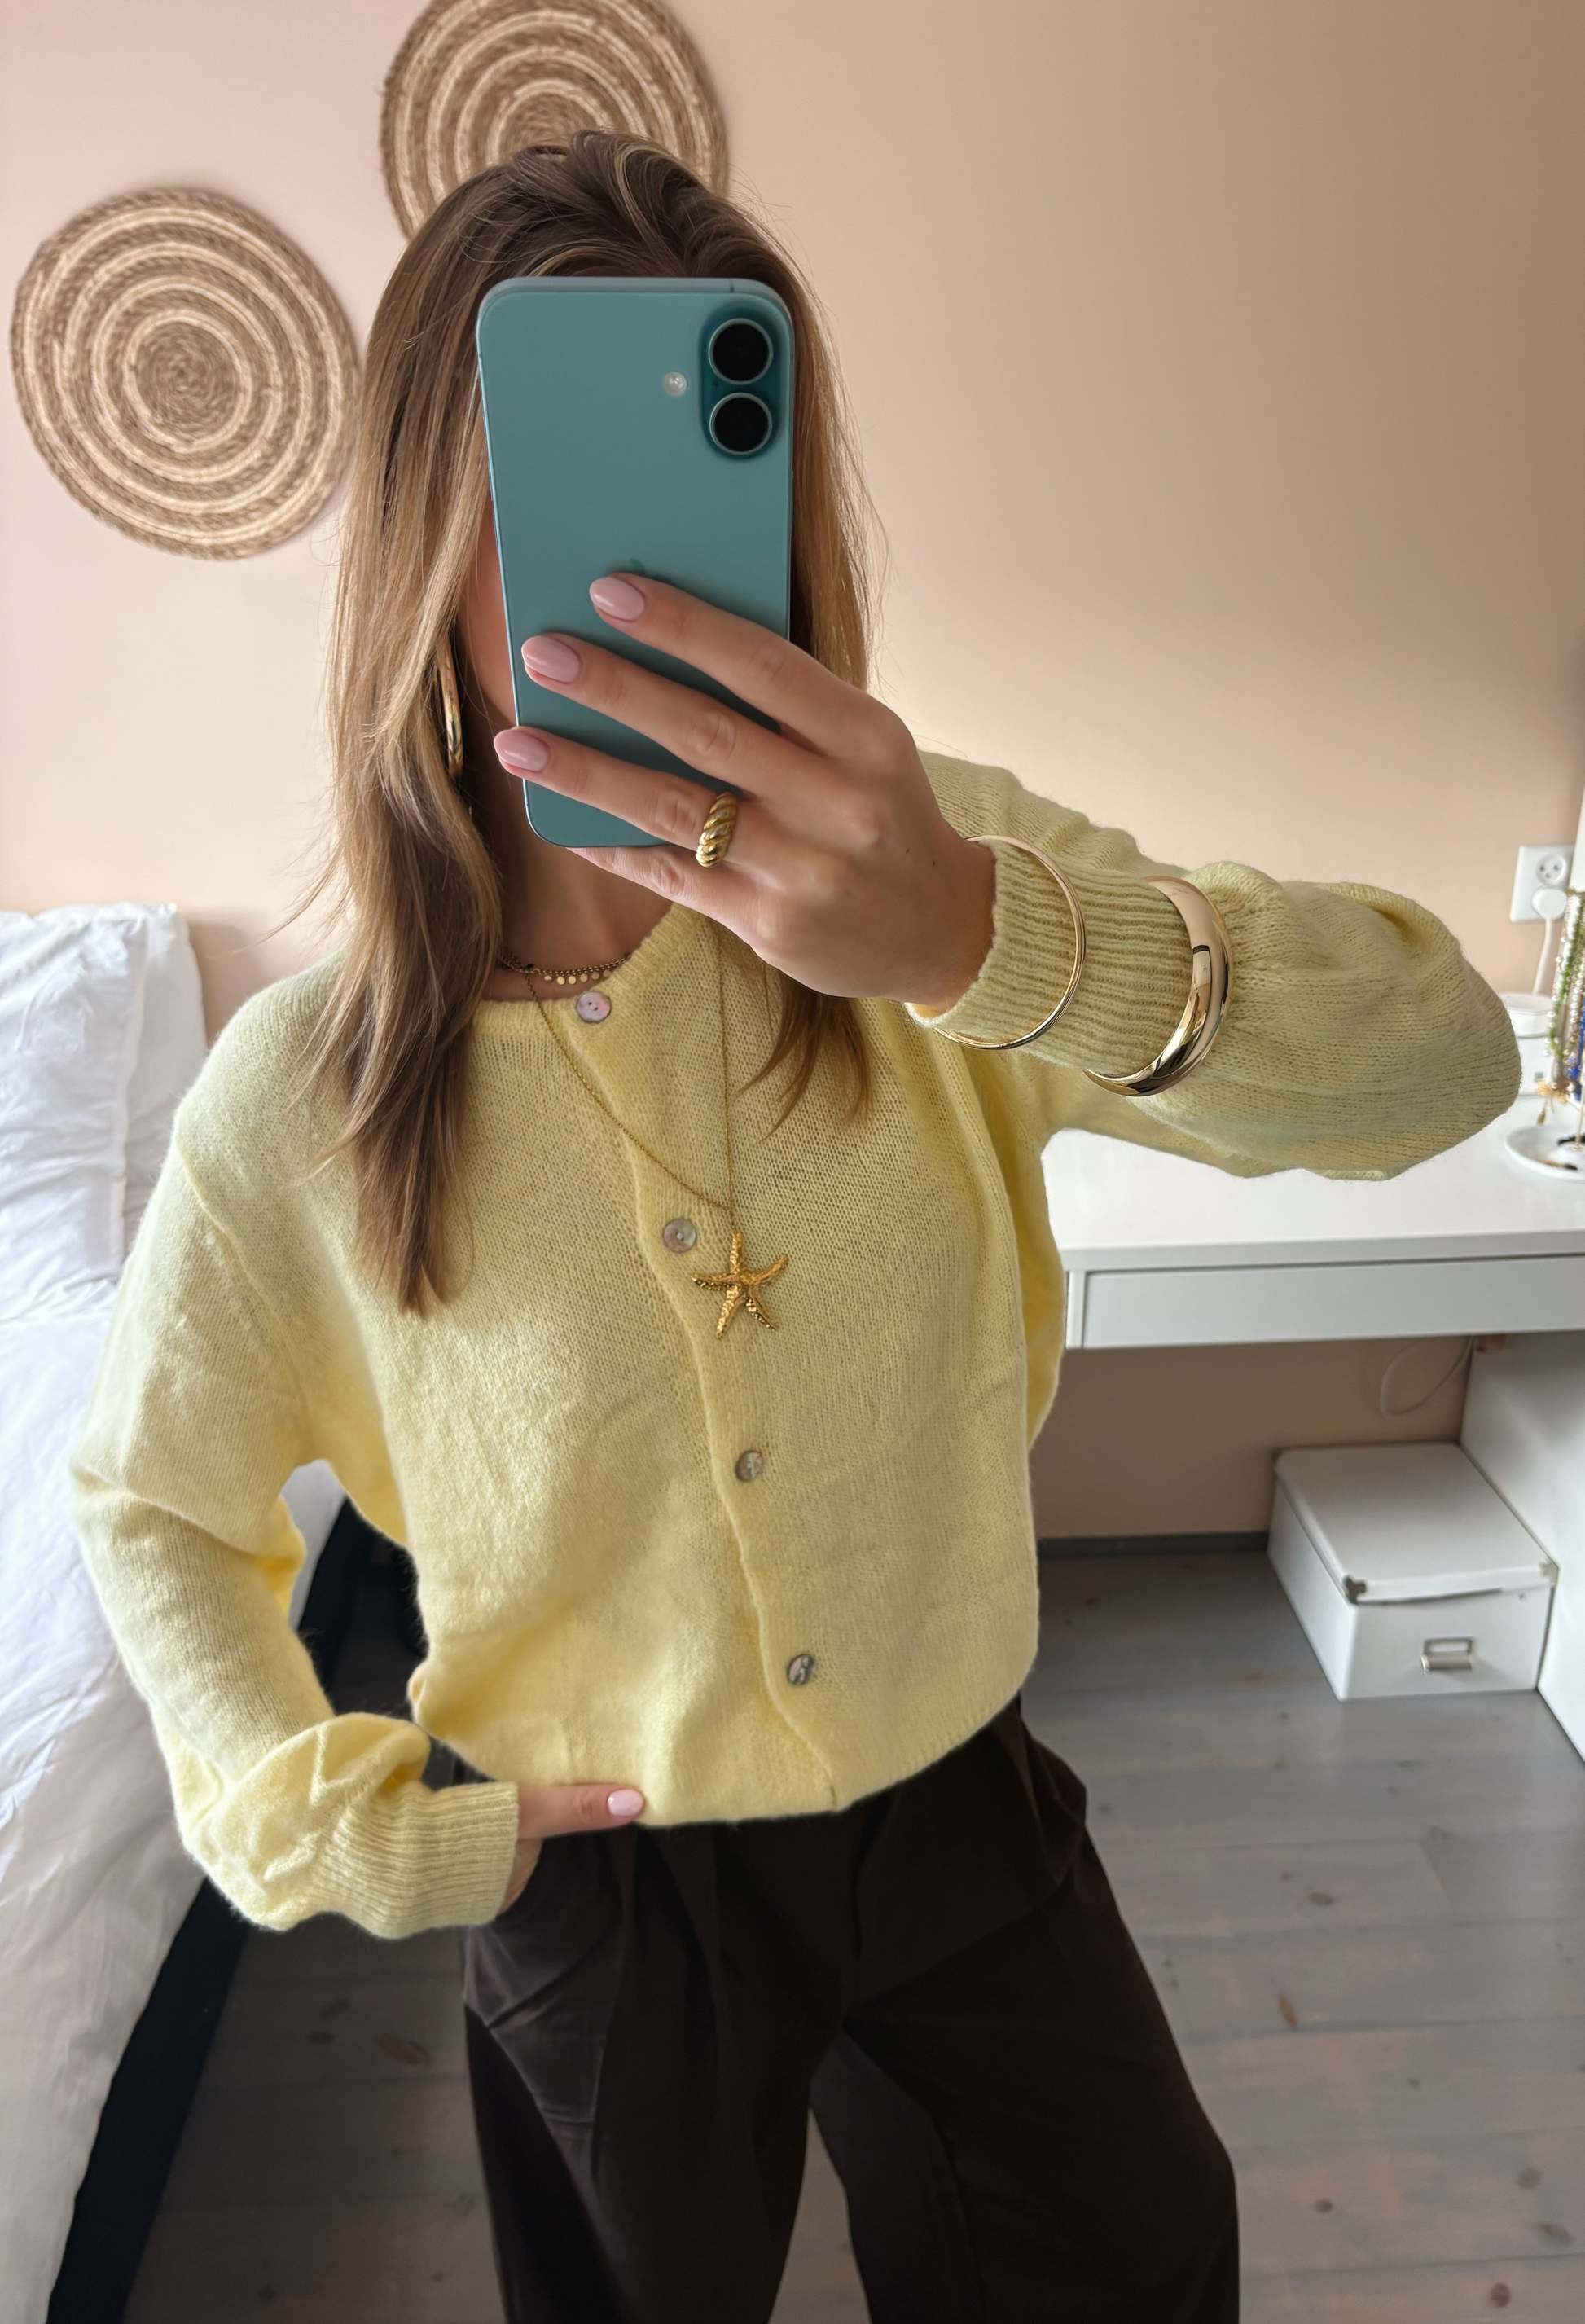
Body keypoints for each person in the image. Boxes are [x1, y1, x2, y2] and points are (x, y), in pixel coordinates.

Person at [72, 134, 1517, 2323]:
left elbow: (1444, 1060)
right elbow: (151, 1502)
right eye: (557, 510)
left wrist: (983, 939)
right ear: (425, 547)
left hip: (960, 1801)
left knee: (1140, 2253)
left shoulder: (952, 882)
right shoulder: (315, 1090)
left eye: (712, 515)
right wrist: (338, 1815)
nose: (646, 592)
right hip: (601, 1869)